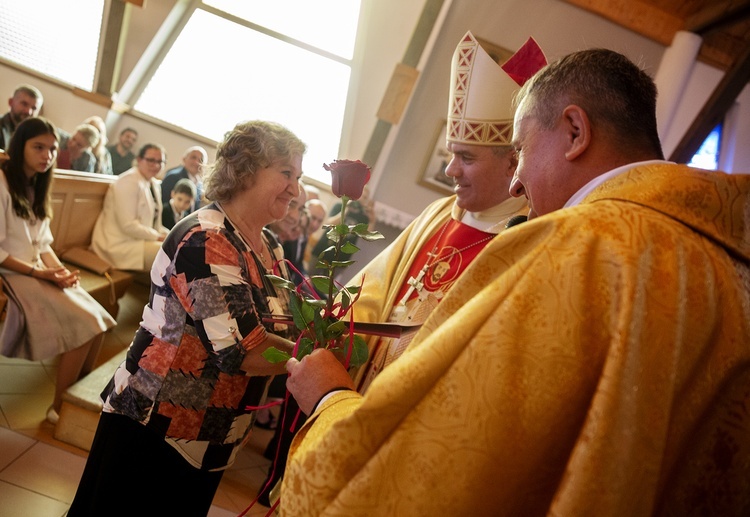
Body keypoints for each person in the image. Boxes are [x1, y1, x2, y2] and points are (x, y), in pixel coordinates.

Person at [280, 48, 750, 516]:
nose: (515, 184)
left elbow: (438, 470)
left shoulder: (578, 247)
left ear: (575, 132)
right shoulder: (728, 263)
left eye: (521, 150)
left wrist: (330, 399)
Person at [256, 32, 548, 508]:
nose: (450, 169)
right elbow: (374, 290)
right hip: (353, 405)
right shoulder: (438, 213)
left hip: (415, 434)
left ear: (513, 161)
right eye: (451, 153)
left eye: (466, 157)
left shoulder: (527, 243)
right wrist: (331, 326)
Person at [69, 120, 307, 516]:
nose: (295, 189)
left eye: (297, 177)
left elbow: (285, 325)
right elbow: (240, 351)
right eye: (286, 173)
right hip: (157, 426)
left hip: (210, 432)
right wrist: (313, 360)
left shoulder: (267, 245)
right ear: (246, 169)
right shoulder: (207, 238)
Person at [0, 117, 115, 425]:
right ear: (19, 144)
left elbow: (44, 243)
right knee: (85, 325)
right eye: (38, 147)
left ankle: (79, 397)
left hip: (36, 269)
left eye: (52, 149)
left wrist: (61, 272)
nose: (47, 156)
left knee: (102, 321)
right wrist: (41, 274)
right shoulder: (1, 182)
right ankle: (59, 408)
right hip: (11, 274)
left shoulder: (36, 185)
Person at [90, 143, 170, 271]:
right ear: (139, 160)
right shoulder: (127, 182)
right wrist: (158, 237)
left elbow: (156, 224)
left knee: (177, 248)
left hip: (140, 240)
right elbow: (128, 225)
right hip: (119, 243)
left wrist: (173, 235)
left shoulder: (154, 184)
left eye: (160, 161)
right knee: (171, 255)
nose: (155, 165)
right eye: (150, 160)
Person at [159, 145, 207, 212]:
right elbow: (162, 203)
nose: (197, 162)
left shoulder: (199, 184)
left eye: (201, 160)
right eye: (193, 157)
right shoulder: (172, 177)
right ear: (184, 159)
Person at [0, 84, 43, 151]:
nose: (28, 111)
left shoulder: (35, 132)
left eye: (34, 108)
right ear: (11, 102)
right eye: (24, 104)